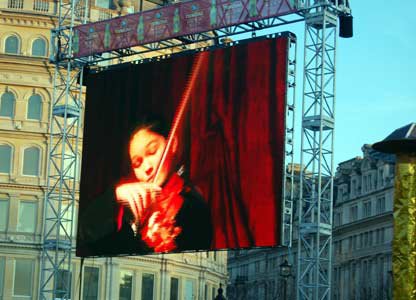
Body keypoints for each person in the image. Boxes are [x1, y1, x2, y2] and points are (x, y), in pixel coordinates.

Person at [77, 118, 212, 256]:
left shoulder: (192, 203)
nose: (147, 167)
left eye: (152, 151)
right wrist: (114, 196)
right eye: (137, 163)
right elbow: (87, 237)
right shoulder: (130, 208)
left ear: (173, 144)